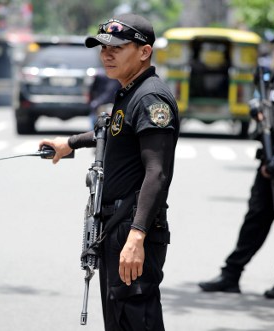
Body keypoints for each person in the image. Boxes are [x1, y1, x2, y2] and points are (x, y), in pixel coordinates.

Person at [39, 13, 179, 331]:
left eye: (117, 47)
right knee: (119, 318)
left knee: (137, 319)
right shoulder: (130, 91)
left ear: (144, 51)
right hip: (116, 224)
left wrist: (137, 235)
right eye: (103, 48)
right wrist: (69, 143)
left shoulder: (150, 98)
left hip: (133, 226)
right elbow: (112, 131)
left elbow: (157, 172)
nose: (107, 54)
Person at [198, 25, 274, 299]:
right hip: (267, 161)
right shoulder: (273, 78)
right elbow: (268, 115)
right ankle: (231, 274)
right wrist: (256, 110)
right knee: (255, 218)